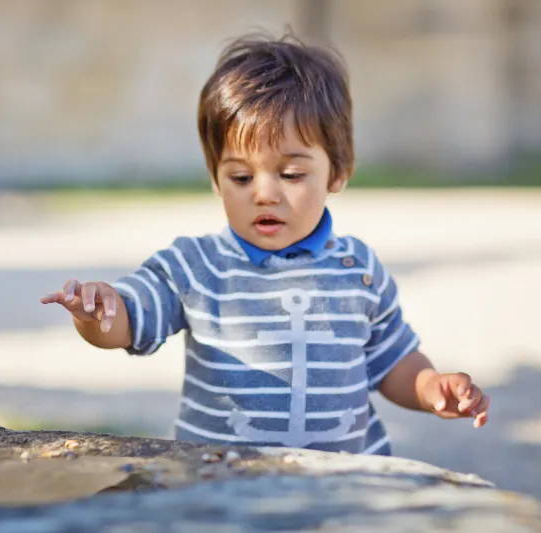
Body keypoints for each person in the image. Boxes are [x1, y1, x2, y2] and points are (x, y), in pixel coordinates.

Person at [41, 33, 490, 455]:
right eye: (240, 176)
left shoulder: (358, 268)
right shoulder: (195, 266)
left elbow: (393, 362)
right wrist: (100, 310)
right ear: (216, 179)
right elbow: (130, 322)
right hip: (225, 485)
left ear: (337, 172)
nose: (264, 193)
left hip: (346, 482)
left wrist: (431, 387)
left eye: (291, 174)